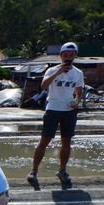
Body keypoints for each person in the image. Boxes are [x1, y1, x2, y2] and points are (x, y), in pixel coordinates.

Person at [27, 42, 85, 189]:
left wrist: (77, 101)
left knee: (66, 141)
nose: (68, 57)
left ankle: (62, 170)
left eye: (71, 55)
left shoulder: (78, 74)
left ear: (75, 56)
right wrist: (58, 72)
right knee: (45, 140)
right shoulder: (52, 70)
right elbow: (43, 85)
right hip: (53, 109)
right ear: (61, 56)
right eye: (65, 55)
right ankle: (34, 171)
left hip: (69, 111)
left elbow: (79, 92)